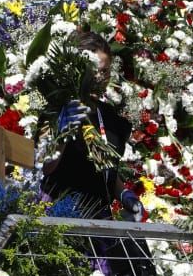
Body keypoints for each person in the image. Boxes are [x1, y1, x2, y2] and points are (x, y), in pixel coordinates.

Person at [43, 30, 138, 219]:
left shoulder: (111, 118)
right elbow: (46, 167)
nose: (100, 77)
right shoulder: (57, 110)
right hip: (62, 215)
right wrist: (63, 131)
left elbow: (106, 170)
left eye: (105, 71)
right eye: (94, 70)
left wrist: (125, 195)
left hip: (100, 217)